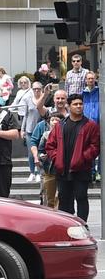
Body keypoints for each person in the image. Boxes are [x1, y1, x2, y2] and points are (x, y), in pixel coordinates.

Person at [45, 94, 100, 222]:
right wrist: (57, 158)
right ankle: (67, 226)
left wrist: (82, 158)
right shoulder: (60, 125)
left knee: (81, 197)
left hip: (81, 169)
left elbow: (95, 147)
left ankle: (82, 225)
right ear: (68, 106)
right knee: (64, 200)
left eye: (81, 104)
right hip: (62, 169)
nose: (79, 106)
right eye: (75, 104)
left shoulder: (90, 125)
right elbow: (50, 145)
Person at [31, 112, 64, 208]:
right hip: (49, 168)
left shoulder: (65, 133)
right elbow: (41, 149)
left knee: (61, 195)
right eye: (52, 120)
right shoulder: (46, 135)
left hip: (62, 168)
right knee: (49, 195)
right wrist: (41, 155)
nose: (54, 122)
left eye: (57, 120)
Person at [16, 78, 43, 182]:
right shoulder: (28, 99)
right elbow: (25, 115)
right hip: (29, 129)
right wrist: (22, 130)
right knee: (31, 152)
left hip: (40, 129)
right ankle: (32, 172)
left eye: (38, 89)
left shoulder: (44, 99)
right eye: (34, 89)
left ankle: (39, 172)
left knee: (40, 152)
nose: (36, 91)